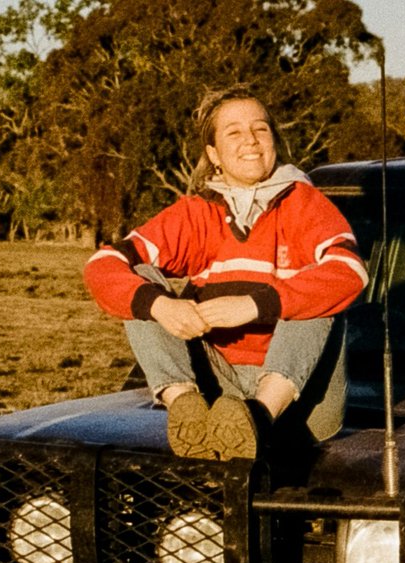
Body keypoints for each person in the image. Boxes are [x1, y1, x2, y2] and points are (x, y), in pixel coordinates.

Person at [84, 85, 368, 460]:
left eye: (260, 129)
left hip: (301, 399)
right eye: (234, 132)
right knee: (137, 275)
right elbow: (101, 266)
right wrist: (162, 307)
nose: (250, 140)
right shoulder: (196, 213)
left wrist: (255, 305)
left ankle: (258, 419)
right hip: (219, 391)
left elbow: (350, 272)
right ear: (213, 153)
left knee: (319, 286)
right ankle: (184, 406)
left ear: (274, 141)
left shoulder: (306, 204)